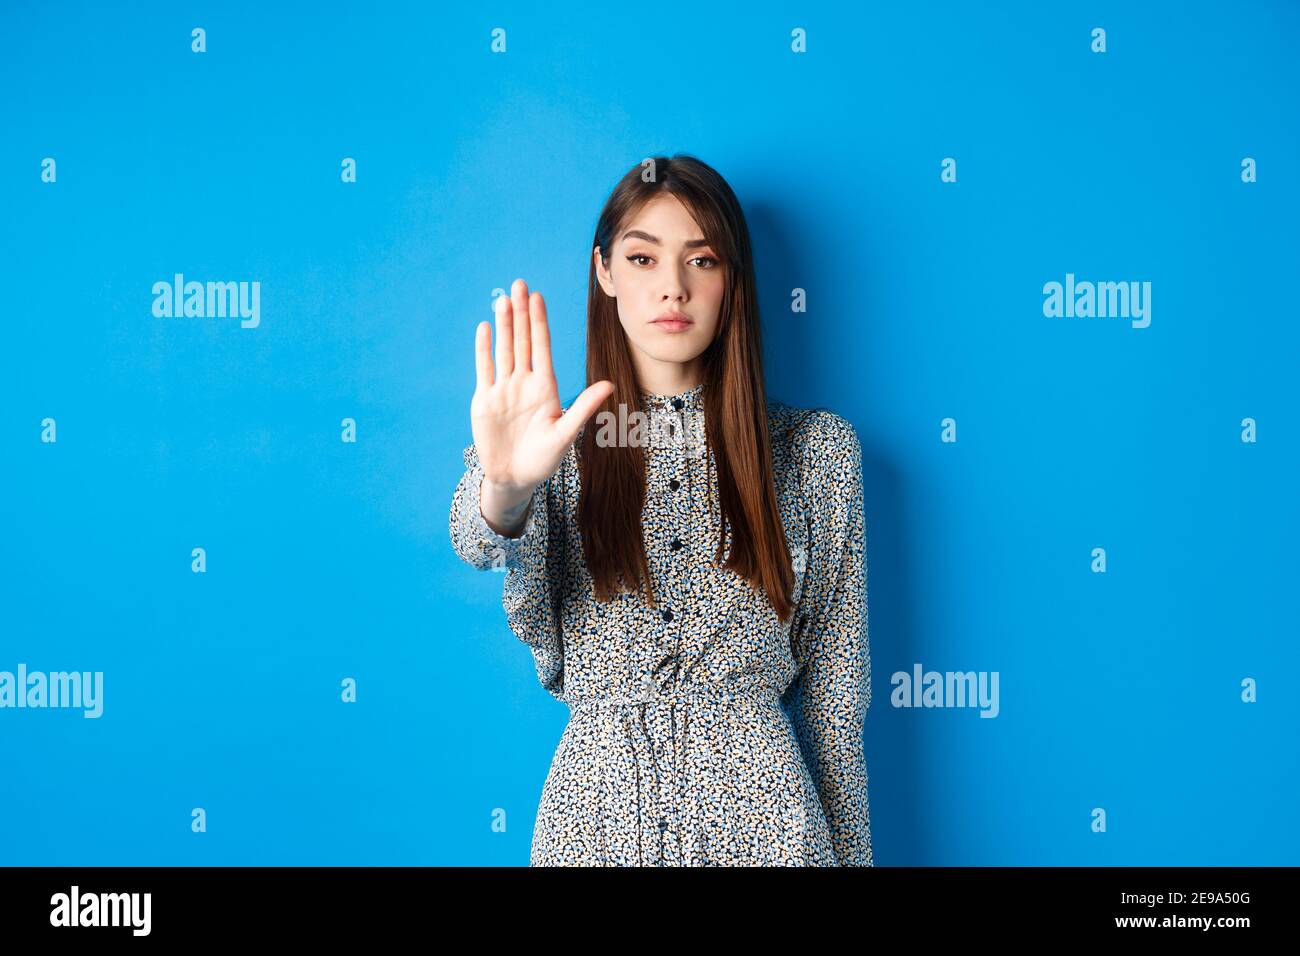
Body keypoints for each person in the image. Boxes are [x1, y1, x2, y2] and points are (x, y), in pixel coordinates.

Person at [449, 154, 872, 866]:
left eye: (702, 260)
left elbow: (835, 711)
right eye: (643, 258)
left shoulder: (816, 454)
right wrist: (506, 485)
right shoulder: (553, 445)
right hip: (596, 828)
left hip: (769, 833)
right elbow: (476, 537)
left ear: (732, 279)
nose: (673, 288)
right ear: (605, 272)